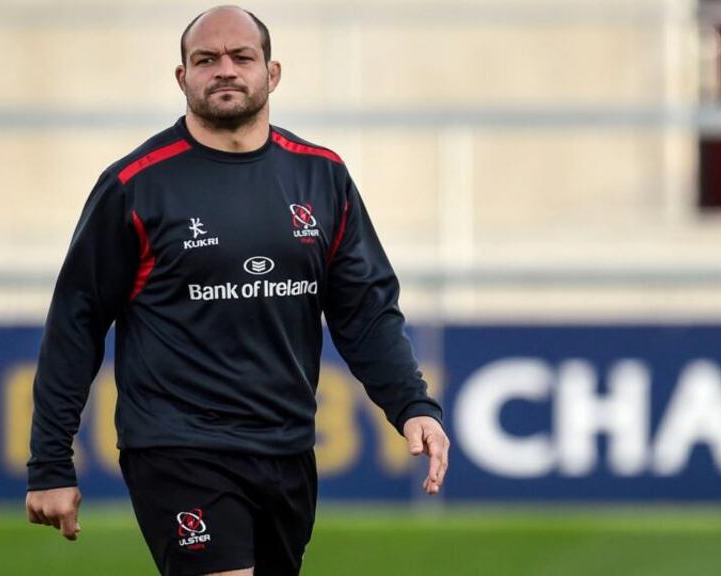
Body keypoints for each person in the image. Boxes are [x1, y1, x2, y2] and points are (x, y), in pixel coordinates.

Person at [25, 5, 449, 575]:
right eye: (206, 59)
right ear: (183, 78)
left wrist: (411, 404)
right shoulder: (135, 185)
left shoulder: (321, 176)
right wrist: (51, 462)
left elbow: (366, 310)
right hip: (179, 445)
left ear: (271, 73)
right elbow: (75, 320)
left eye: (241, 57)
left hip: (287, 448)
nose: (224, 69)